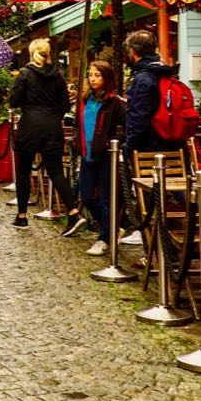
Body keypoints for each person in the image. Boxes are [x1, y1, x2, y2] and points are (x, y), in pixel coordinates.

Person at [8, 39, 81, 233]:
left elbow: (14, 101)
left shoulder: (25, 74)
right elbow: (66, 105)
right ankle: (74, 212)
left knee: (23, 171)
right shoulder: (57, 75)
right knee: (56, 171)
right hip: (52, 127)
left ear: (32, 53)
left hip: (30, 126)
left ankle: (22, 216)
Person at [122, 30, 181, 245]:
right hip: (170, 140)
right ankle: (172, 238)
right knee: (168, 190)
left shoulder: (144, 78)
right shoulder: (166, 73)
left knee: (151, 193)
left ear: (133, 52)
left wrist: (129, 145)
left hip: (149, 145)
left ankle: (160, 245)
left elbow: (139, 116)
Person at [75, 60, 127, 255]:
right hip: (87, 155)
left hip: (106, 157)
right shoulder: (85, 100)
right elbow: (77, 124)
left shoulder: (114, 102)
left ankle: (104, 238)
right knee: (86, 195)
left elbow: (126, 127)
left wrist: (111, 142)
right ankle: (112, 226)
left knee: (106, 199)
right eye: (91, 74)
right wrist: (76, 141)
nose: (93, 78)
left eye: (97, 75)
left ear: (106, 78)